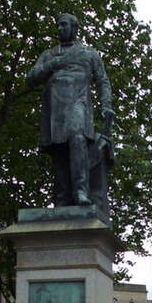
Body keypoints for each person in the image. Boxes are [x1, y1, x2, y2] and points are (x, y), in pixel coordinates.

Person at [27, 13, 114, 207]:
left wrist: (106, 105)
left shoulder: (89, 54)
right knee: (58, 149)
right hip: (55, 107)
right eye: (58, 25)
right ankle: (63, 198)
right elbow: (31, 78)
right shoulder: (49, 54)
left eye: (64, 25)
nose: (60, 29)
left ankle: (81, 190)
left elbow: (103, 81)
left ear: (75, 28)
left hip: (79, 104)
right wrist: (51, 65)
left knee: (77, 138)